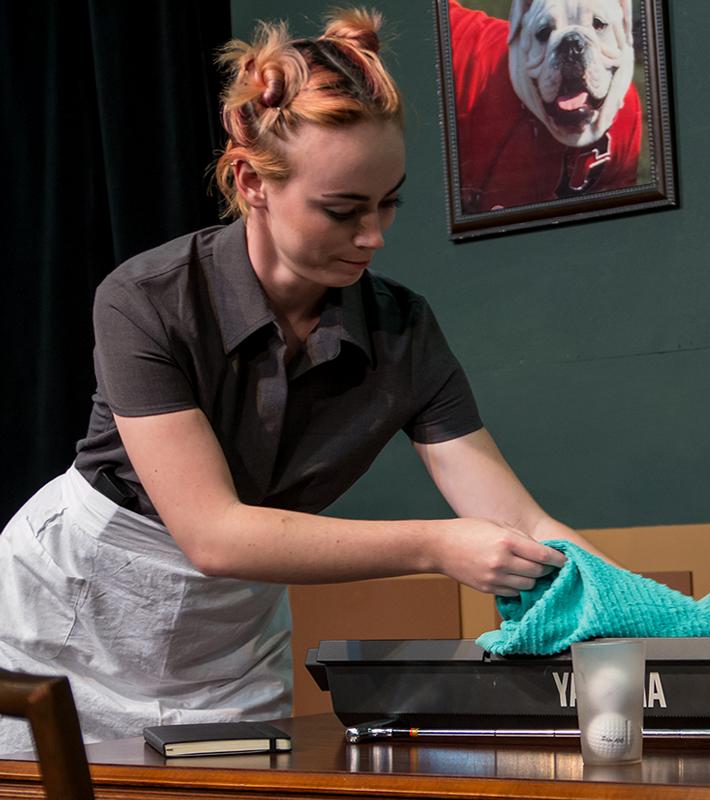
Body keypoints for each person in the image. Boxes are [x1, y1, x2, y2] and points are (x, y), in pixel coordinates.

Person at [0, 8, 601, 752]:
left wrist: (649, 610)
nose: (375, 236)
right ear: (252, 180)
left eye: (389, 202)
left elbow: (522, 521)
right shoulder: (145, 301)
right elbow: (214, 534)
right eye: (343, 210)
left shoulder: (403, 330)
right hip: (70, 621)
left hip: (229, 644)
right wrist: (435, 546)